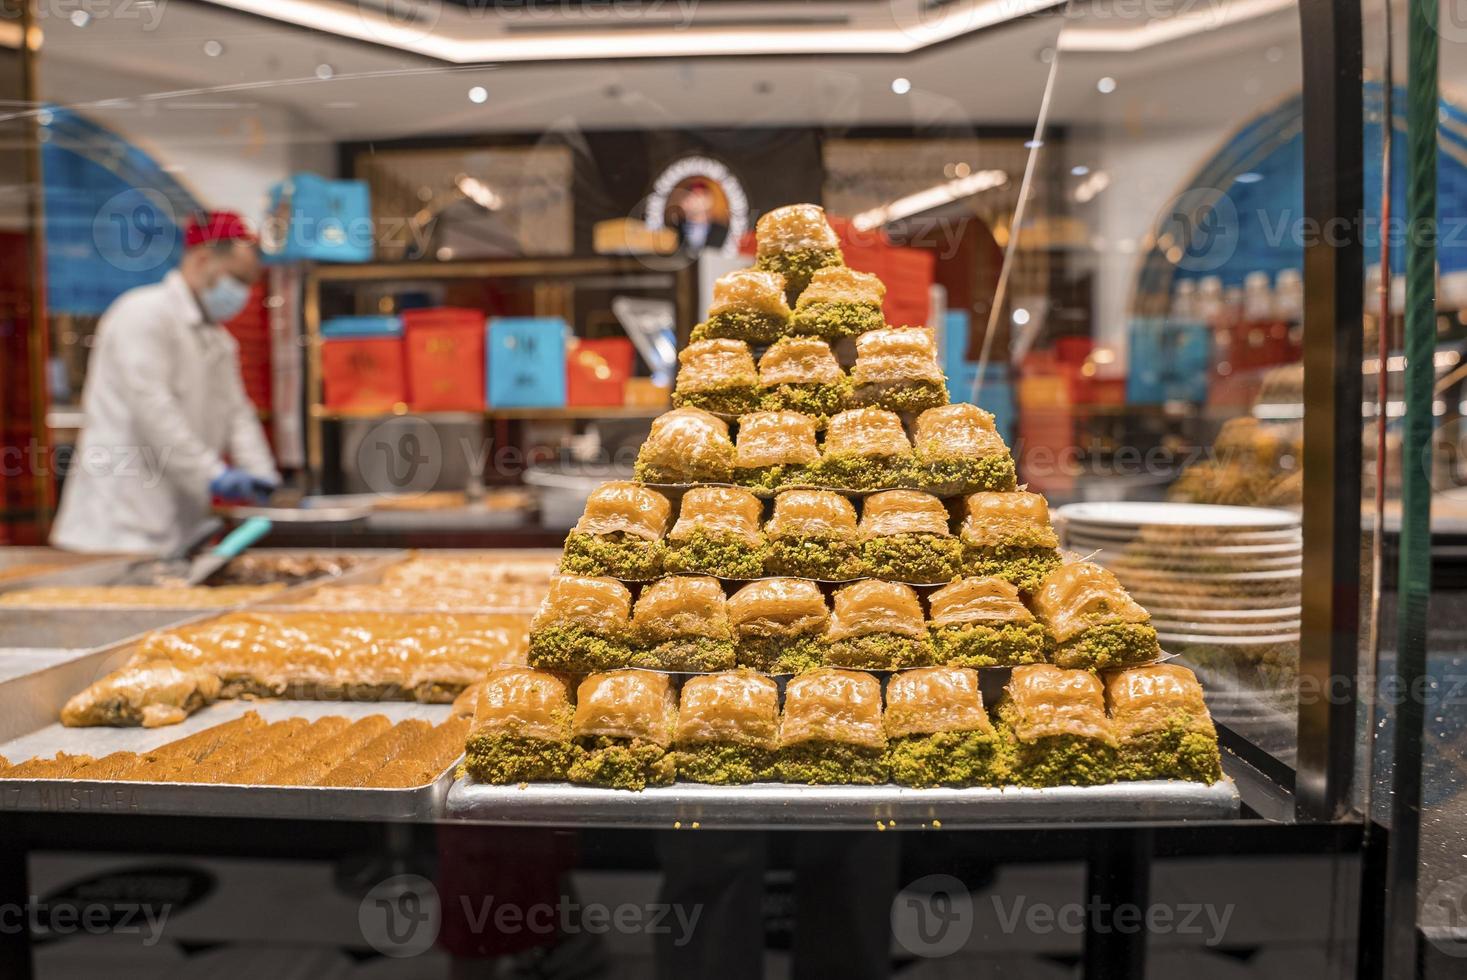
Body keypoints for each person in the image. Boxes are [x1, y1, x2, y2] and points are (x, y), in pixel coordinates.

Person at [51, 211, 280, 554]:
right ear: (203, 258)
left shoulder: (218, 340)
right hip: (117, 525)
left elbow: (237, 413)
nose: (243, 294)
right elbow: (154, 410)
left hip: (178, 524)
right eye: (238, 279)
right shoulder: (143, 314)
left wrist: (261, 475)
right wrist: (213, 474)